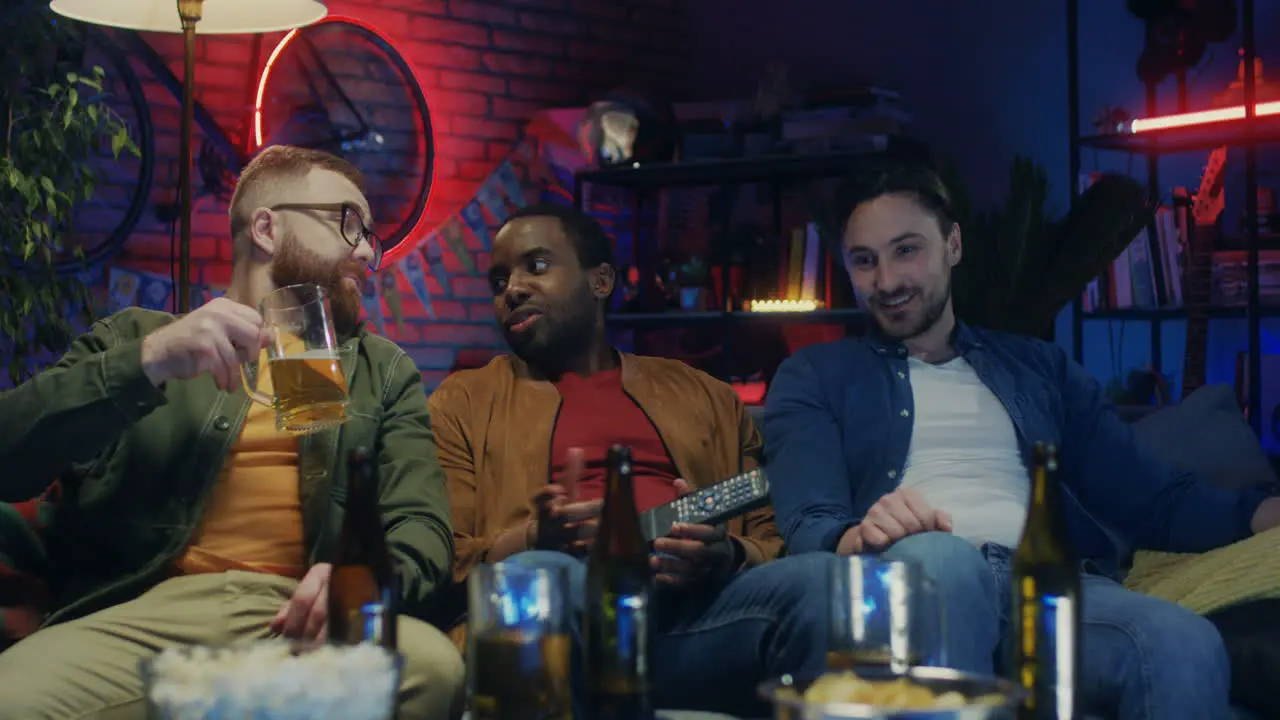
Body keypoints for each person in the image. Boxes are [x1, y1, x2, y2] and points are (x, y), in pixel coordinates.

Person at [762, 157, 1280, 720]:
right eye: (865, 261)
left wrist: (1262, 513)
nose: (886, 282)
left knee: (1187, 645)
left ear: (952, 244)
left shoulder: (1038, 368)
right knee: (941, 561)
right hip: (919, 578)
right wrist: (860, 535)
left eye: (906, 250)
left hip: (1049, 588)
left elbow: (1151, 496)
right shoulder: (815, 375)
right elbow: (809, 520)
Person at [0, 145, 465, 719]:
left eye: (370, 235)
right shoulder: (140, 335)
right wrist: (147, 361)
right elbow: (9, 454)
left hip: (301, 621)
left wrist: (367, 573)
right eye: (349, 223)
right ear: (266, 228)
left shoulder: (380, 370)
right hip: (142, 616)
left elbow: (421, 524)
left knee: (433, 669)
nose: (368, 251)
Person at [428, 204, 830, 717]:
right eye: (499, 279)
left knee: (819, 580)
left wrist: (723, 556)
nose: (513, 289)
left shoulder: (702, 394)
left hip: (699, 622)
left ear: (600, 281)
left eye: (538, 265)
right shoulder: (464, 401)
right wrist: (532, 538)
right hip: (569, 621)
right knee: (533, 578)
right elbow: (446, 562)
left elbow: (772, 542)